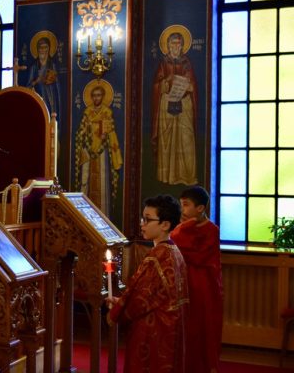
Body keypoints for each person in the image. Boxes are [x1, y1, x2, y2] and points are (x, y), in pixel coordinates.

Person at [107, 194, 189, 373]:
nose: (142, 224)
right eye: (142, 218)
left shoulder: (156, 257)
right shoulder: (175, 252)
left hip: (153, 330)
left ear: (165, 225)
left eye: (147, 219)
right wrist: (122, 302)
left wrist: (117, 309)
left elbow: (139, 298)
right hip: (171, 328)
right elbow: (151, 296)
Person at [171, 186, 222, 373]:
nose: (182, 209)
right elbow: (173, 245)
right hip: (184, 283)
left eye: (186, 205)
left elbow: (198, 257)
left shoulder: (211, 230)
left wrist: (183, 229)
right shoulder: (182, 227)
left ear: (200, 208)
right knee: (186, 328)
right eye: (181, 205)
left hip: (204, 287)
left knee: (203, 328)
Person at [151, 27, 198, 186]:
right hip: (167, 104)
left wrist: (188, 85)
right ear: (168, 46)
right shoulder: (163, 63)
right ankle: (167, 177)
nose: (175, 47)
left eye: (178, 44)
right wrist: (165, 82)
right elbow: (157, 85)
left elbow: (192, 84)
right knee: (167, 140)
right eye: (172, 44)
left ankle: (186, 176)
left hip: (184, 104)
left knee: (186, 138)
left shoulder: (186, 63)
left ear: (182, 45)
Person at [74, 82, 123, 215]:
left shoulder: (107, 112)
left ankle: (103, 212)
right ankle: (84, 213)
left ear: (103, 96)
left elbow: (110, 130)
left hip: (102, 152)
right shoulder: (87, 112)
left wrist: (105, 134)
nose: (96, 98)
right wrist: (84, 134)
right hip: (88, 151)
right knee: (86, 179)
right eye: (94, 95)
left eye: (99, 95)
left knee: (102, 179)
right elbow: (81, 131)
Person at [27, 35, 61, 120]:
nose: (42, 50)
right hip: (39, 96)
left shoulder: (52, 65)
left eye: (45, 47)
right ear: (37, 49)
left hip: (51, 97)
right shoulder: (34, 67)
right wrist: (36, 81)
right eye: (40, 48)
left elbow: (57, 85)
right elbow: (28, 86)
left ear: (48, 49)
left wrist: (52, 79)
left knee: (51, 117)